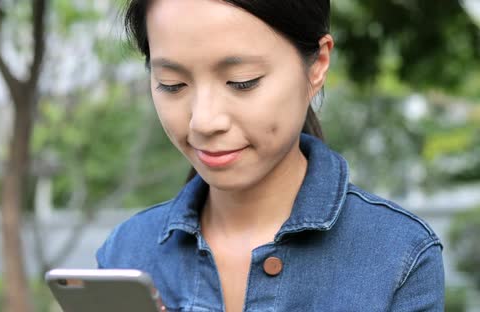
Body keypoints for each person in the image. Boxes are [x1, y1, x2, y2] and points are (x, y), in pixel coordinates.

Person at [96, 1, 445, 311]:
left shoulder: (398, 255)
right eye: (172, 84)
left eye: (241, 81)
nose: (203, 122)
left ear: (317, 65)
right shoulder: (126, 254)